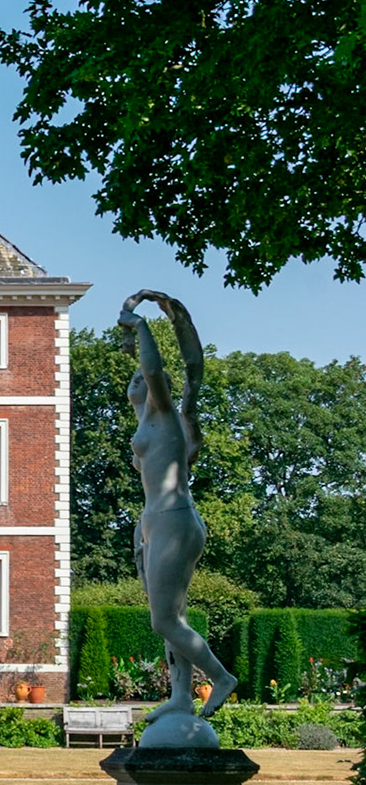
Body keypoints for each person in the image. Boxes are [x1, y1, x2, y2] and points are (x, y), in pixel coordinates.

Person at [116, 294, 235, 719]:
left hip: (174, 521)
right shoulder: (144, 423)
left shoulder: (163, 414)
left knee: (163, 620)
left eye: (139, 379)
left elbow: (154, 368)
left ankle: (220, 678)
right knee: (175, 616)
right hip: (155, 523)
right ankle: (181, 696)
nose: (135, 381)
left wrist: (139, 325)